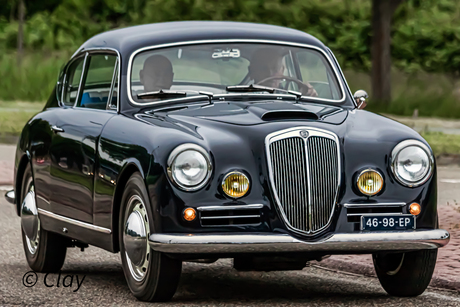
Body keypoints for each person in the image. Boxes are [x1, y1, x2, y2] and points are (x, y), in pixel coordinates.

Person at [248, 48, 318, 97]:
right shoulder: (242, 98)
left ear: (282, 70)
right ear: (252, 71)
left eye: (275, 69)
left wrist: (309, 94)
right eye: (263, 69)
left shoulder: (293, 96)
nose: (270, 74)